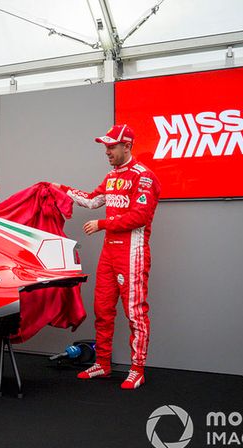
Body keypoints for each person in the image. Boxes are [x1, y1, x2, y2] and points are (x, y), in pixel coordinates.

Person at [53, 123, 161, 389]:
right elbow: (91, 200)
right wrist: (60, 188)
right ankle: (102, 363)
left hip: (132, 253)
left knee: (135, 313)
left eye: (112, 146)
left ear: (128, 146)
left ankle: (137, 368)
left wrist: (102, 225)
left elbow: (141, 217)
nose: (107, 151)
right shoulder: (112, 177)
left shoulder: (144, 177)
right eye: (106, 147)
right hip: (110, 253)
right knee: (102, 310)